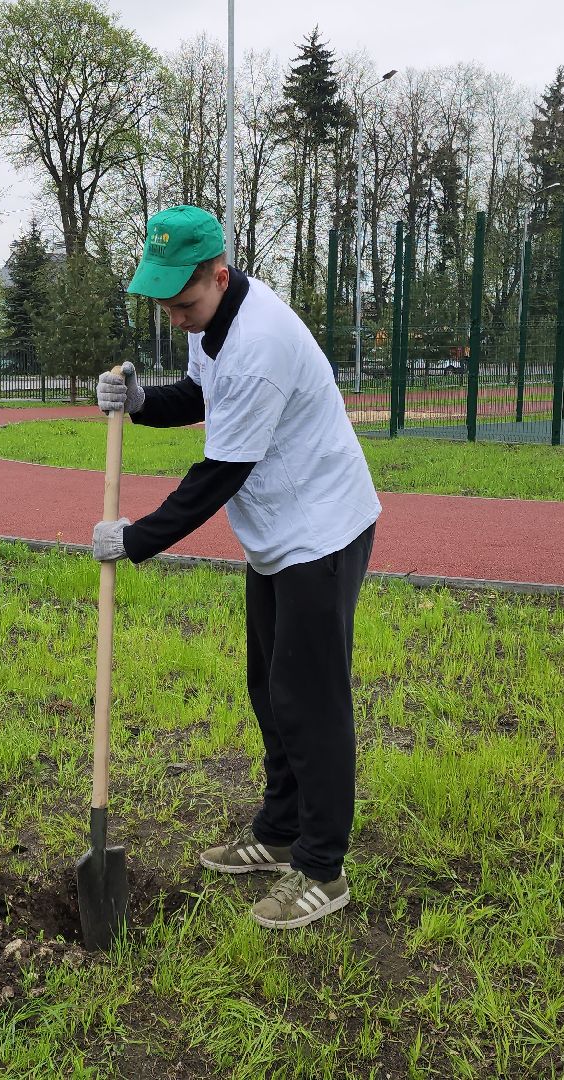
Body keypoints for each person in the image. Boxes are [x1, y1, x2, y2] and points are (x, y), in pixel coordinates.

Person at [93, 205, 381, 931]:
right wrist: (141, 402)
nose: (178, 318)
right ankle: (280, 829)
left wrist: (136, 539)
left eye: (186, 303)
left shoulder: (259, 344)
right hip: (277, 536)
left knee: (309, 701)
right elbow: (199, 395)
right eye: (166, 306)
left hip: (320, 530)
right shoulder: (215, 326)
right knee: (270, 688)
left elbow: (219, 472)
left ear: (222, 275)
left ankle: (322, 867)